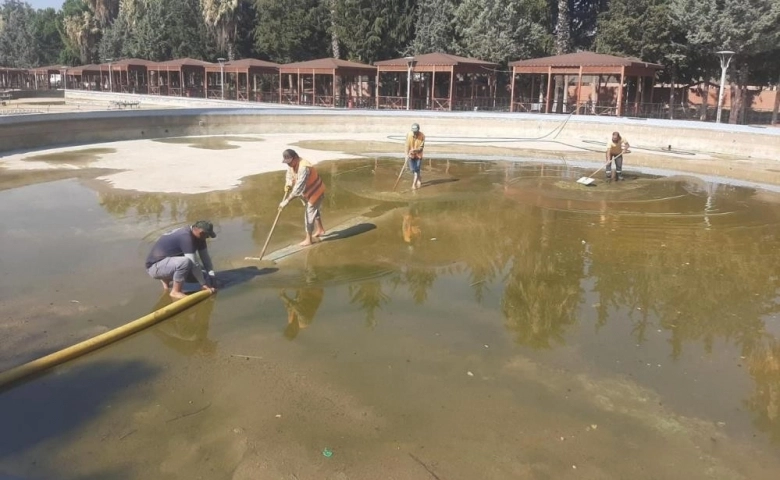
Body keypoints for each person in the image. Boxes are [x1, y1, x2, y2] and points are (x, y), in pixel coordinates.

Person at [145, 220, 218, 299]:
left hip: (167, 263)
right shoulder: (186, 237)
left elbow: (205, 259)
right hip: (154, 267)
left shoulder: (199, 238)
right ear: (201, 233)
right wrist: (204, 284)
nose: (207, 238)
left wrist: (211, 276)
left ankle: (166, 279)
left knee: (204, 275)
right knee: (185, 262)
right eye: (207, 235)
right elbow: (194, 264)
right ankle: (176, 291)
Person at [280, 149, 326, 246]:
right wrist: (288, 184)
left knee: (309, 215)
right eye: (286, 162)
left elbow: (298, 188)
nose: (288, 164)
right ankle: (320, 229)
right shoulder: (292, 165)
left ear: (296, 158)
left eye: (289, 162)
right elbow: (289, 175)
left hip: (316, 191)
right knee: (314, 211)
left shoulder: (304, 167)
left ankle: (308, 239)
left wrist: (287, 201)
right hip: (307, 193)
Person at [405, 123, 426, 189]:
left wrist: (415, 150)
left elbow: (421, 147)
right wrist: (406, 155)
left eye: (416, 131)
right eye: (414, 131)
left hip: (418, 155)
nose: (415, 133)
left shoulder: (422, 136)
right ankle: (419, 177)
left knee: (416, 169)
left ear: (418, 130)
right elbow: (406, 145)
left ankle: (413, 184)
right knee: (412, 170)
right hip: (410, 155)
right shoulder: (409, 135)